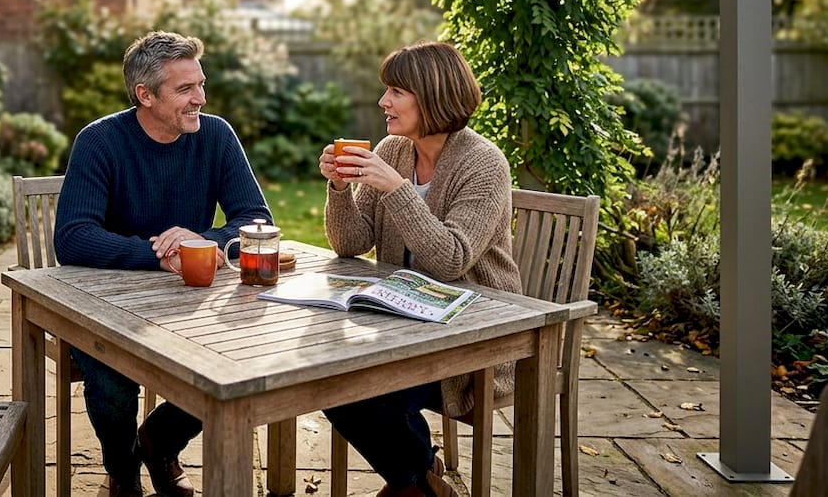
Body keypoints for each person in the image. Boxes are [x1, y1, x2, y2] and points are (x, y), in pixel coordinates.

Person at [54, 30, 272, 497]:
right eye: (185, 89)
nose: (201, 98)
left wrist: (202, 240)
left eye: (201, 84)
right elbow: (72, 237)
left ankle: (159, 442)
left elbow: (255, 218)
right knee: (112, 375)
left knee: (247, 354)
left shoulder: (216, 135)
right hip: (107, 303)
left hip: (187, 297)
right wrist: (160, 254)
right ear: (145, 95)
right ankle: (124, 468)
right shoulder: (99, 141)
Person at [317, 40, 521, 497]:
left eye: (395, 91)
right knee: (325, 376)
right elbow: (351, 243)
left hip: (473, 336)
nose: (382, 102)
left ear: (432, 96)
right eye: (385, 90)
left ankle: (413, 483)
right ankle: (422, 478)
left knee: (370, 394)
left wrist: (397, 191)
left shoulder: (483, 163)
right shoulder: (393, 151)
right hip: (403, 324)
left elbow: (450, 260)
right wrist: (338, 188)